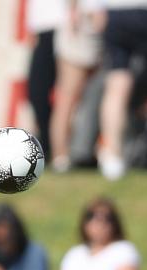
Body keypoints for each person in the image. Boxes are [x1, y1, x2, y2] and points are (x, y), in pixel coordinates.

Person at [93, 1, 147, 179]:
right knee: (118, 86)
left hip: (114, 13)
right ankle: (113, 157)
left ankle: (113, 158)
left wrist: (95, 9)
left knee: (117, 85)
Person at [49, 0, 102, 172]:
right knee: (67, 98)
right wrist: (73, 12)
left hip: (96, 30)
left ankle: (84, 151)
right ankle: (60, 156)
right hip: (79, 29)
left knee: (92, 99)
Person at [26, 0, 67, 157]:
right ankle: (48, 147)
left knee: (68, 96)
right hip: (43, 29)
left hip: (65, 26)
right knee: (37, 93)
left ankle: (64, 151)